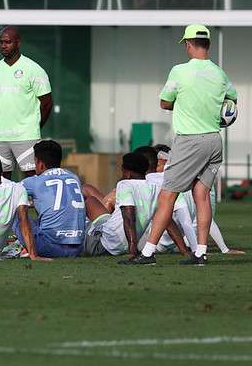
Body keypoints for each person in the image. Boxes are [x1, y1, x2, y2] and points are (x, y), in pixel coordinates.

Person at [123, 24, 237, 266]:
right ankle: (200, 253)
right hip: (215, 141)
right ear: (208, 44)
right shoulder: (219, 73)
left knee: (167, 196)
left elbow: (165, 103)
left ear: (188, 44)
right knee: (201, 194)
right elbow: (231, 101)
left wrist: (186, 105)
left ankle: (147, 254)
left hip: (190, 140)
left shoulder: (179, 71)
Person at [81, 153, 188, 258]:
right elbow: (168, 222)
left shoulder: (125, 185)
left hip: (102, 244)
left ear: (127, 173)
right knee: (91, 201)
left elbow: (128, 216)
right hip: (113, 235)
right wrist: (185, 251)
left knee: (86, 203)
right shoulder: (154, 188)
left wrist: (132, 250)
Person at [0, 26, 53, 179]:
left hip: (26, 136)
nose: (3, 45)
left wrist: (34, 125)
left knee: (32, 178)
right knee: (0, 181)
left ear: (18, 43)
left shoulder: (33, 69)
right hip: (0, 137)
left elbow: (47, 103)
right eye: (1, 42)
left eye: (8, 42)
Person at [154, 146, 245, 256]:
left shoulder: (169, 184)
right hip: (179, 242)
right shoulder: (187, 183)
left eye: (157, 165)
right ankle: (196, 249)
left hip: (164, 242)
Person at [17, 140, 85, 258]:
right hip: (77, 248)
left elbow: (10, 192)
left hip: (49, 248)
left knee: (16, 214)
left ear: (40, 163)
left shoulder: (35, 181)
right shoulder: (74, 177)